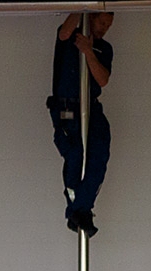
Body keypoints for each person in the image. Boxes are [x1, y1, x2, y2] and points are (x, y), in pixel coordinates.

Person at [50, 13, 114, 237]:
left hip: (91, 107)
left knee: (98, 156)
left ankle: (77, 210)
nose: (104, 27)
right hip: (67, 108)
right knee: (75, 154)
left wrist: (88, 51)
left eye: (108, 24)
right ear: (91, 17)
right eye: (101, 22)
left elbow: (102, 79)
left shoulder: (103, 49)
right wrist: (82, 6)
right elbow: (64, 32)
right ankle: (80, 211)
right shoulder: (71, 36)